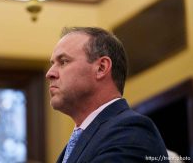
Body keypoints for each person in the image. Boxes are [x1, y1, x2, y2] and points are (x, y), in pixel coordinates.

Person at [46, 27, 169, 163]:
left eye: (63, 61)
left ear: (101, 68)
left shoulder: (130, 131)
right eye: (53, 64)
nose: (50, 74)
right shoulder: (79, 141)